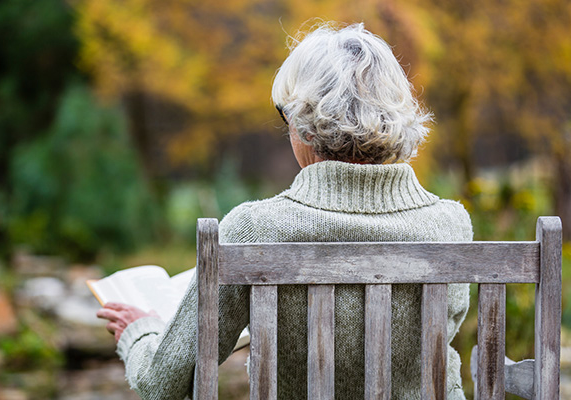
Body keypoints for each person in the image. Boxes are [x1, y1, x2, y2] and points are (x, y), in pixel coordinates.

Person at [97, 22, 472, 399]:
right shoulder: (451, 226)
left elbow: (163, 383)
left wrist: (141, 330)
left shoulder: (254, 230)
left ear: (305, 126)